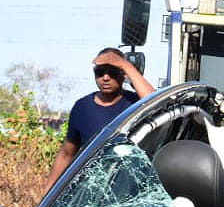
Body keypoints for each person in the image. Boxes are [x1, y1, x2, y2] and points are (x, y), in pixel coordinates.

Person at [44, 47, 156, 190]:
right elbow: (66, 153)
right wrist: (48, 191)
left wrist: (126, 65)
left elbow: (155, 102)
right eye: (100, 72)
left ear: (123, 74)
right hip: (91, 190)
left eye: (113, 72)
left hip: (128, 188)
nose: (106, 78)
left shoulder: (135, 103)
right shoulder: (82, 107)